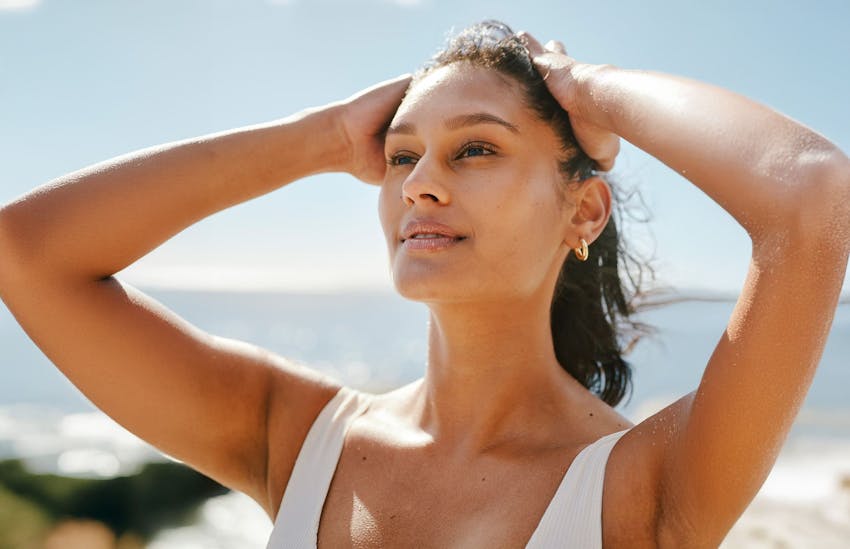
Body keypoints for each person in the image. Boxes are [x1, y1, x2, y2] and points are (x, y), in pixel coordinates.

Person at [0, 19, 847, 548]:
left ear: (584, 211)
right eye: (402, 155)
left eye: (475, 148)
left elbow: (809, 193)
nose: (419, 185)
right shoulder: (300, 440)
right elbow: (27, 251)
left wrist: (589, 90)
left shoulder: (642, 488)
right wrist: (326, 136)